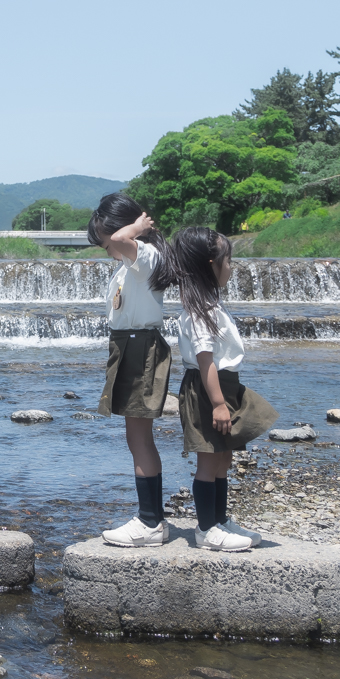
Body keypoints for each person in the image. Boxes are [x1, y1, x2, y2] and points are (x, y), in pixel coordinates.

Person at [167, 225, 280, 552]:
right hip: (208, 390)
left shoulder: (210, 302)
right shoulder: (199, 311)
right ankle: (206, 530)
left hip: (223, 386)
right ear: (209, 265)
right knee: (209, 460)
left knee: (223, 457)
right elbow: (205, 362)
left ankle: (219, 519)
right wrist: (218, 404)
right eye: (228, 260)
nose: (232, 267)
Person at [85, 193, 175, 547]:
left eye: (105, 240)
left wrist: (136, 229)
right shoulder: (130, 263)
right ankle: (152, 519)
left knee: (139, 437)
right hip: (129, 346)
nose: (106, 247)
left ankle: (150, 522)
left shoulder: (145, 255)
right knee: (135, 437)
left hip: (140, 348)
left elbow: (124, 240)